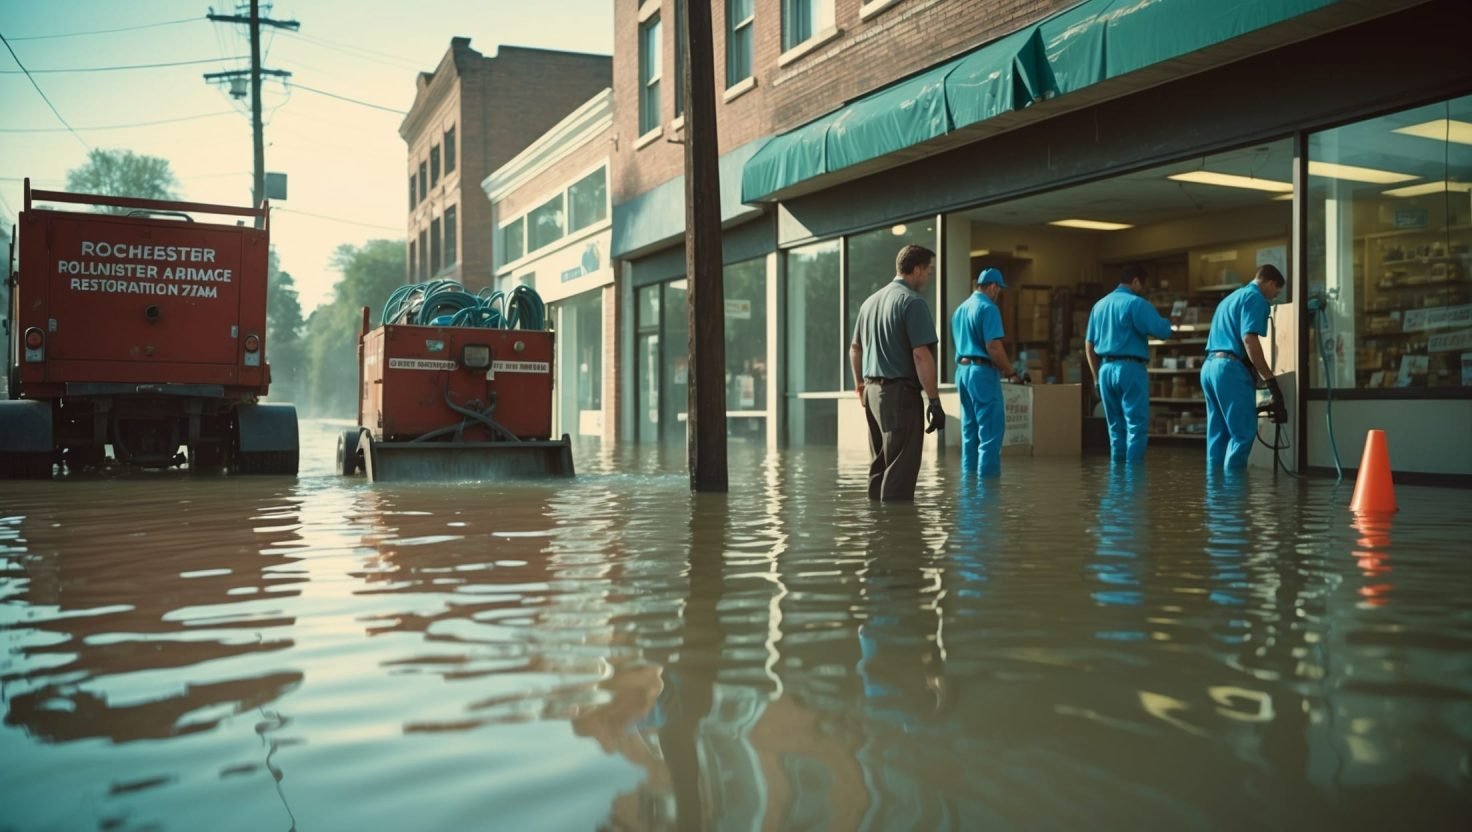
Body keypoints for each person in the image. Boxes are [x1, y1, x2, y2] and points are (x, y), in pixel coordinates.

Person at [850, 244, 943, 501]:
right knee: (900, 470)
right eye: (928, 270)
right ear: (917, 269)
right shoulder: (912, 302)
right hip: (900, 397)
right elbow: (920, 355)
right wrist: (934, 401)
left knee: (879, 466)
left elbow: (855, 349)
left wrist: (860, 386)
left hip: (872, 395)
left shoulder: (869, 303)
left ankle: (875, 523)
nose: (929, 275)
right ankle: (896, 526)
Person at [1084, 264, 1177, 464]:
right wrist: (1172, 323)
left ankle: (1117, 477)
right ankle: (1134, 477)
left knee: (1115, 429)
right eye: (1142, 285)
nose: (1142, 290)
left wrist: (1096, 377)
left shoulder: (1099, 306)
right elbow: (1161, 331)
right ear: (1135, 281)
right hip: (1130, 368)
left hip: (1105, 370)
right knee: (1136, 426)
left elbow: (1089, 345)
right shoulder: (1136, 303)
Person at [1200, 264, 1286, 470]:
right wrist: (1269, 380)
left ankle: (1215, 487)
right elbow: (1249, 340)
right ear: (1270, 283)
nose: (1274, 296)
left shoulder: (1230, 298)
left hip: (1209, 367)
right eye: (1276, 291)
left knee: (1218, 434)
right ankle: (1235, 488)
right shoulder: (1255, 298)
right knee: (1242, 434)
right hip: (1229, 369)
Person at [950, 268, 1025, 477]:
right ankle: (988, 491)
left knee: (970, 433)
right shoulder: (988, 308)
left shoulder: (960, 310)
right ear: (992, 287)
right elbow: (993, 347)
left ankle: (969, 486)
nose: (998, 293)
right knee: (990, 434)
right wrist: (1011, 372)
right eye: (998, 289)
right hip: (982, 373)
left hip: (962, 372)